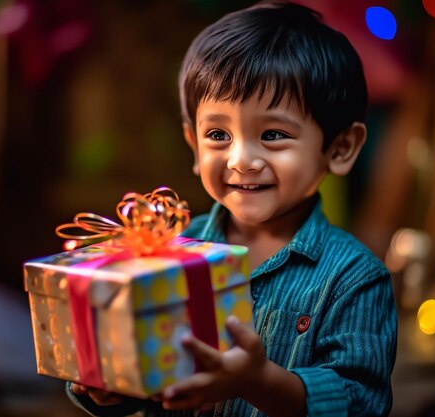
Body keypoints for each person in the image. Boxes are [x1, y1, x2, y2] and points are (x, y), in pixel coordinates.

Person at [67, 1, 397, 416]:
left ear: (340, 148)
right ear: (193, 144)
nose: (241, 159)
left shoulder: (355, 279)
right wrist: (110, 386)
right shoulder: (169, 254)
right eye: (219, 134)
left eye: (274, 134)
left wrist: (261, 383)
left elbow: (362, 402)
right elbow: (145, 369)